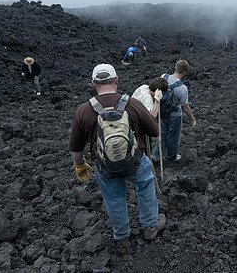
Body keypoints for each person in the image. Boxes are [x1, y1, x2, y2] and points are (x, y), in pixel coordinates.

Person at [68, 64, 166, 242]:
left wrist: (80, 165)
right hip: (135, 161)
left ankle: (121, 235)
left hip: (105, 166)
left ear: (93, 84)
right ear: (116, 81)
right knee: (145, 187)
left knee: (114, 198)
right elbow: (155, 131)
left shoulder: (83, 111)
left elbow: (75, 148)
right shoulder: (133, 104)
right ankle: (150, 226)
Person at [152, 60, 196, 163]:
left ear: (175, 68)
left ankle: (156, 155)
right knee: (173, 137)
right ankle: (171, 157)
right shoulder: (182, 88)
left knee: (162, 134)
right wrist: (192, 118)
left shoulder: (164, 77)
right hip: (175, 115)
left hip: (162, 112)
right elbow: (185, 107)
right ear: (184, 72)